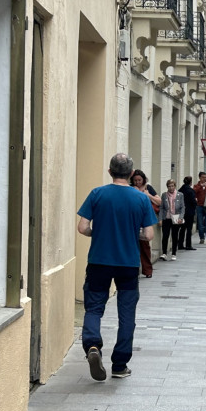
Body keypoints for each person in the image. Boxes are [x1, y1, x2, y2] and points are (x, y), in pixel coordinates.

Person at [77, 153, 158, 380]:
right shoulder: (141, 198)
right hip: (128, 263)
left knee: (94, 308)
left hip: (99, 261)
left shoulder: (97, 194)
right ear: (132, 174)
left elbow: (82, 227)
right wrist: (132, 234)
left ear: (110, 171)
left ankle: (93, 346)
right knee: (126, 313)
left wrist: (99, 232)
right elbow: (149, 235)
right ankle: (120, 364)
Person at [130, 169, 161, 278]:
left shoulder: (148, 188)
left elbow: (159, 201)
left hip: (145, 219)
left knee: (145, 245)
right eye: (135, 180)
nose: (137, 182)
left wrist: (148, 195)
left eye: (139, 180)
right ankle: (134, 269)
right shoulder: (130, 188)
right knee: (132, 246)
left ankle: (147, 270)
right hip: (132, 218)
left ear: (143, 180)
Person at [158, 179, 185, 261]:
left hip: (176, 217)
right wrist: (160, 219)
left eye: (172, 186)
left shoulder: (180, 195)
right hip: (167, 218)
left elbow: (182, 207)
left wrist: (181, 217)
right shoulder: (164, 195)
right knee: (165, 236)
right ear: (167, 187)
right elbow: (162, 207)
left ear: (175, 186)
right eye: (169, 186)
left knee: (174, 236)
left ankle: (173, 253)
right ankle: (164, 253)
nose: (171, 188)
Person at [178, 176, 197, 250]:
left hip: (182, 212)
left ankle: (180, 244)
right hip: (189, 211)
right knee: (189, 229)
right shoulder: (191, 191)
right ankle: (188, 245)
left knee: (182, 228)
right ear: (190, 182)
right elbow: (193, 201)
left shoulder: (180, 190)